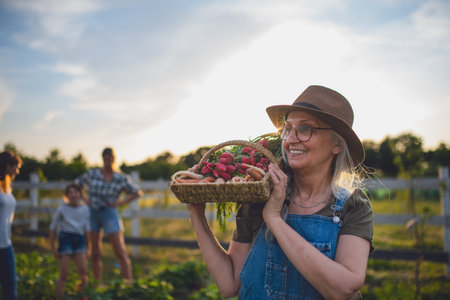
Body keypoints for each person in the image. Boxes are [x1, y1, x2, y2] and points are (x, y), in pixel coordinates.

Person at [187, 85, 374, 299]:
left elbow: (343, 289)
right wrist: (196, 212)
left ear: (337, 145)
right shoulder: (259, 194)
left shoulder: (352, 205)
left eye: (305, 129)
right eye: (287, 128)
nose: (291, 139)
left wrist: (274, 219)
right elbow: (229, 284)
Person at [75, 147, 142, 282]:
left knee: (119, 250)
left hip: (109, 213)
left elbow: (137, 192)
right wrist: (85, 199)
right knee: (94, 252)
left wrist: (120, 203)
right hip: (93, 212)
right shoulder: (93, 174)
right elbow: (76, 184)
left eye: (110, 158)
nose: (108, 161)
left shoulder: (120, 178)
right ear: (102, 159)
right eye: (105, 158)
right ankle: (96, 284)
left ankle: (127, 283)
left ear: (114, 159)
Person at [49, 182, 90, 300]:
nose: (73, 195)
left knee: (83, 271)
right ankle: (58, 297)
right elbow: (52, 229)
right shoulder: (62, 209)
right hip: (65, 238)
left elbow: (87, 230)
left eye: (76, 192)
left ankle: (83, 296)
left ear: (80, 194)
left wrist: (89, 248)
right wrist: (53, 247)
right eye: (70, 193)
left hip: (79, 239)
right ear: (67, 195)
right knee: (64, 273)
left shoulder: (85, 209)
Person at [0, 151, 22, 300]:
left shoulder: (7, 187)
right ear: (7, 165)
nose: (17, 171)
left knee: (11, 285)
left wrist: (9, 240)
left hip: (6, 244)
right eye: (16, 166)